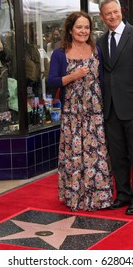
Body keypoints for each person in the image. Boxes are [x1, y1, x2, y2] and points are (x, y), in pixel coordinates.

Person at [48, 11, 113, 212]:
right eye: (79, 27)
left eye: (86, 27)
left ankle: (98, 197)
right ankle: (75, 196)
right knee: (74, 154)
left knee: (97, 153)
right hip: (72, 113)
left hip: (94, 110)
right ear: (70, 29)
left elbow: (102, 81)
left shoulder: (96, 49)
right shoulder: (60, 53)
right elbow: (51, 81)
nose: (83, 31)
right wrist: (72, 76)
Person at [97, 0, 133, 215]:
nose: (112, 16)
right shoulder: (101, 41)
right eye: (108, 14)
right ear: (102, 17)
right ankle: (122, 194)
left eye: (115, 11)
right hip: (110, 108)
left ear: (121, 11)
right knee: (117, 154)